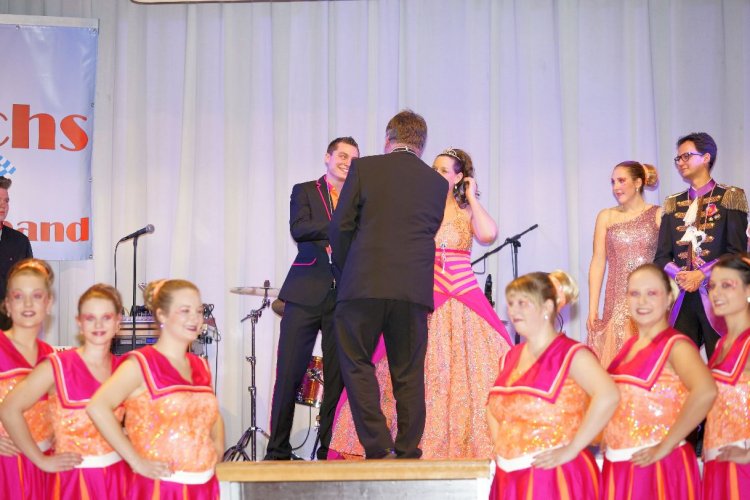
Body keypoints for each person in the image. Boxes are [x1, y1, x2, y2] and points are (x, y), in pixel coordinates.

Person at [329, 147, 512, 459]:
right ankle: (400, 442)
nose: (436, 174)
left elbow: (488, 234)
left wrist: (472, 197)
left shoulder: (466, 210)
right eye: (434, 168)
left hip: (464, 294)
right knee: (410, 371)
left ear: (459, 177)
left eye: (444, 170)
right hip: (428, 293)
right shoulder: (421, 205)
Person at [328, 110, 448, 459]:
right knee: (408, 371)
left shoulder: (365, 169)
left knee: (356, 362)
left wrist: (347, 270)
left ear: (388, 139)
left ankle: (378, 443)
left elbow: (340, 226)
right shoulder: (436, 183)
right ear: (421, 144)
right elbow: (427, 230)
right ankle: (408, 447)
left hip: (363, 283)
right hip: (412, 289)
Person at [264, 136, 360, 461]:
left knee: (337, 378)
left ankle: (327, 450)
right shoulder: (304, 190)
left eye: (353, 159)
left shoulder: (359, 199)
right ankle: (277, 450)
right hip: (304, 293)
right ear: (327, 157)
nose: (346, 162)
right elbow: (300, 229)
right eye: (342, 155)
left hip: (343, 297)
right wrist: (342, 224)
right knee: (288, 374)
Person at [487, 271, 619, 499]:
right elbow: (492, 408)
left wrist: (573, 448)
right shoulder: (509, 357)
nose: (514, 311)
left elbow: (609, 396)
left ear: (547, 307)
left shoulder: (571, 353)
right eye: (511, 303)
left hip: (555, 479)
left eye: (523, 303)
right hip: (509, 478)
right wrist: (503, 447)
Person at [87, 279, 224, 499]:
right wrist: (136, 461)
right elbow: (97, 407)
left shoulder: (201, 365)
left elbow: (212, 414)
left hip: (204, 486)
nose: (195, 318)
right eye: (185, 311)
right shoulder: (141, 363)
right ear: (162, 315)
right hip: (160, 489)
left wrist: (218, 449)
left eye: (199, 311)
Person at [0, 283, 130, 499]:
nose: (98, 325)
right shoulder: (57, 365)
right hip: (74, 482)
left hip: (117, 478)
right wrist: (41, 460)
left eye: (106, 317)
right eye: (90, 318)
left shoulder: (125, 369)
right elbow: (9, 409)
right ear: (79, 323)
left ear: (118, 322)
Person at [602, 263, 716, 499]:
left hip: (659, 469)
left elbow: (706, 392)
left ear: (669, 298)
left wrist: (665, 445)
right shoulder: (629, 347)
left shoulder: (677, 345)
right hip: (622, 465)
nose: (642, 301)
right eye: (634, 293)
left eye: (652, 293)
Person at [654, 132, 748, 360]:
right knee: (681, 366)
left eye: (686, 156)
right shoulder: (673, 203)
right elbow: (661, 257)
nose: (681, 162)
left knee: (724, 362)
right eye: (678, 158)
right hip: (682, 299)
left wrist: (701, 274)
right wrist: (681, 275)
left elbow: (737, 253)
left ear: (706, 157)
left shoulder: (729, 197)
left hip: (719, 296)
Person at [587, 161, 661, 367]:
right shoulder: (606, 216)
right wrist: (592, 308)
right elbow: (598, 261)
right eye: (613, 182)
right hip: (616, 301)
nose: (616, 187)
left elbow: (666, 259)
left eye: (621, 181)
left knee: (646, 362)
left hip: (648, 300)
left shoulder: (658, 215)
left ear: (638, 183)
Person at [0, 259, 55, 498]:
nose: (28, 304)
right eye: (19, 296)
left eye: (37, 295)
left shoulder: (51, 356)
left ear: (48, 303)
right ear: (7, 304)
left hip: (45, 467)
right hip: (5, 468)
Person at [704, 253, 750, 499]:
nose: (716, 293)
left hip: (743, 469)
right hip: (717, 464)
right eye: (712, 286)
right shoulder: (721, 344)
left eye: (727, 285)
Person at [0, 177, 34, 331]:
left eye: (6, 201)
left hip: (10, 326)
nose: (3, 205)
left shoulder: (20, 241)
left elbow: (30, 283)